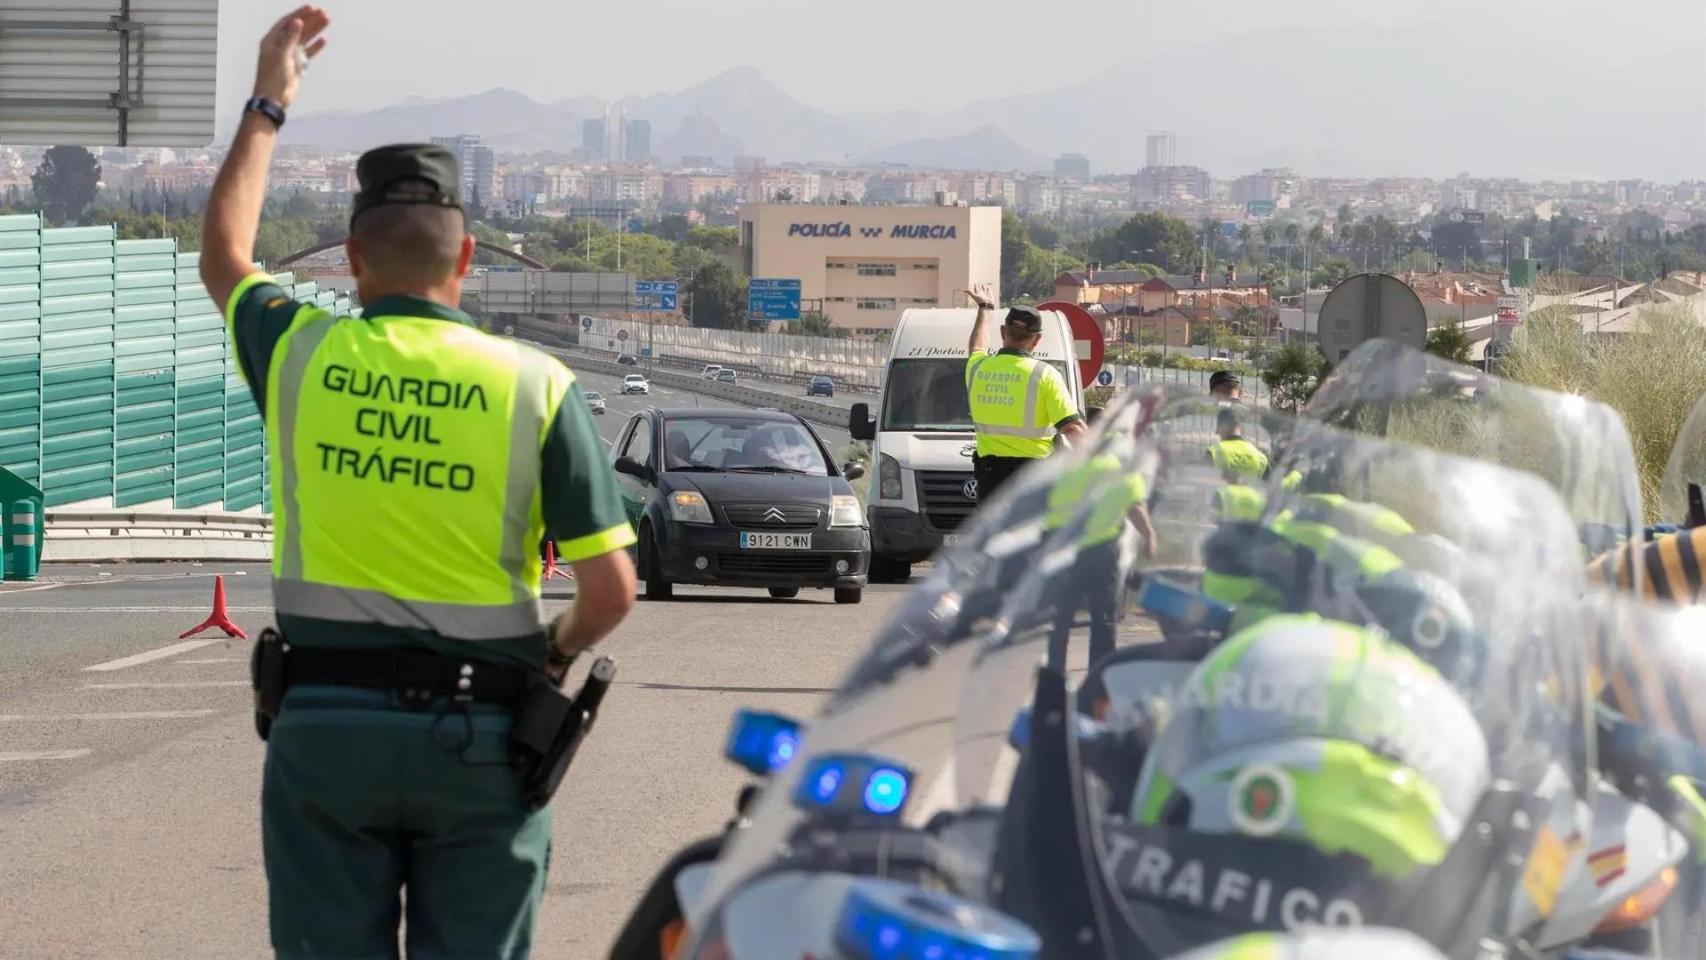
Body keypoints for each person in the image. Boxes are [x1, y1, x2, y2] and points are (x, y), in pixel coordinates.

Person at [199, 8, 638, 957]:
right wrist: (550, 656)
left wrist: (271, 98)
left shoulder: (298, 352)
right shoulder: (538, 386)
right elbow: (611, 593)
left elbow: (225, 255)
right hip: (482, 739)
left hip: (326, 738)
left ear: (353, 260)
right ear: (468, 259)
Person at [964, 283, 1086, 503]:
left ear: (1003, 332)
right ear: (1037, 339)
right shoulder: (1045, 375)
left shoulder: (977, 369)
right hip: (1034, 482)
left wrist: (985, 307)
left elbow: (977, 346)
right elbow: (1073, 428)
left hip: (990, 484)